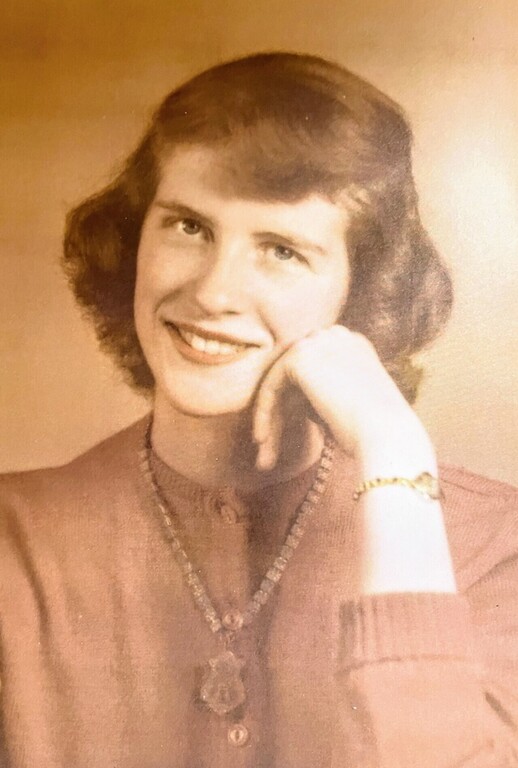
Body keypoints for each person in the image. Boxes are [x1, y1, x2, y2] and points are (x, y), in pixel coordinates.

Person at [0, 51, 517, 768]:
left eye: (281, 250)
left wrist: (395, 453)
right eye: (188, 227)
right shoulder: (15, 544)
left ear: (363, 290)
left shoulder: (490, 547)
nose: (214, 292)